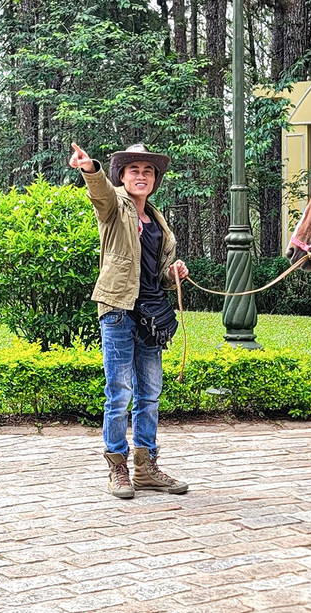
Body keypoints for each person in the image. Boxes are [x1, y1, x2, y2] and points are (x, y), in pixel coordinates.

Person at [68, 142, 191, 499]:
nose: (141, 175)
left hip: (152, 315)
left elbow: (156, 274)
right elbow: (100, 192)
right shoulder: (114, 206)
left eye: (148, 171)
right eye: (134, 170)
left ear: (154, 180)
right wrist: (89, 169)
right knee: (119, 393)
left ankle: (146, 467)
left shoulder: (157, 220)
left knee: (149, 395)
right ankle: (117, 467)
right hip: (119, 310)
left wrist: (173, 273)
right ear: (121, 176)